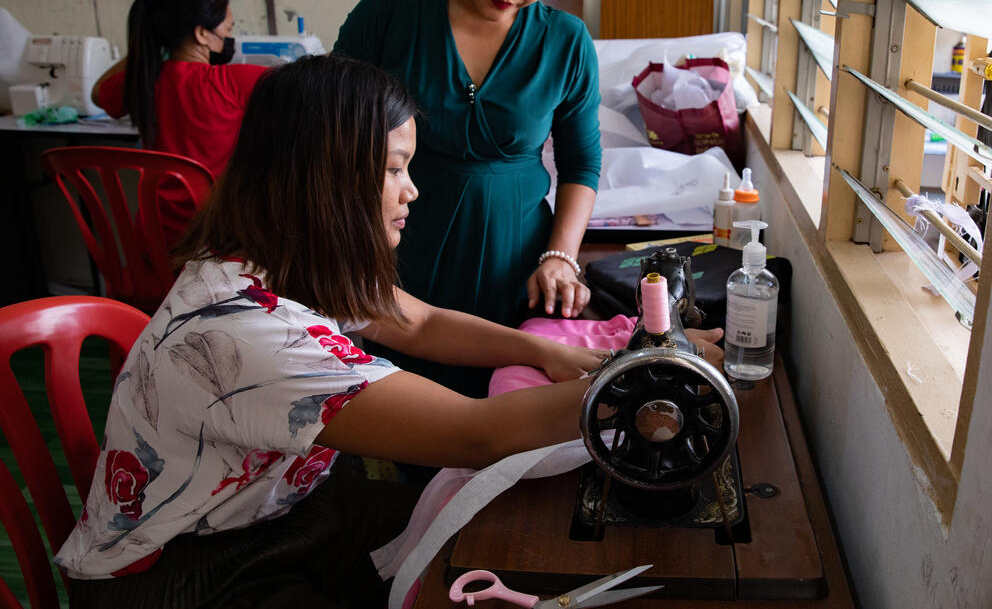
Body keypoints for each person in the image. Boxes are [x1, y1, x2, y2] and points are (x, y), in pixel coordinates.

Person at [55, 54, 728, 607]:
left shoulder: (285, 258)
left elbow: (421, 320)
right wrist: (651, 370)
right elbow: (477, 431)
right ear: (326, 182)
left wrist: (557, 353)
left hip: (275, 512)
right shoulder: (246, 332)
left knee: (471, 526)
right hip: (186, 575)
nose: (411, 191)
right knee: (473, 538)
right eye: (394, 169)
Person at [333, 0, 601, 396]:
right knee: (399, 407)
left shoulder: (567, 42)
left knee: (497, 407)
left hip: (515, 261)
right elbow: (329, 127)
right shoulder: (393, 9)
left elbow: (581, 162)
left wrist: (561, 258)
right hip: (394, 251)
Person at [91, 0, 269, 244]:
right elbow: (302, 85)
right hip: (214, 238)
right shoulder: (232, 80)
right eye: (228, 29)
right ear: (201, 34)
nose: (230, 38)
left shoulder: (146, 81)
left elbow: (98, 93)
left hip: (155, 237)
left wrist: (146, 45)